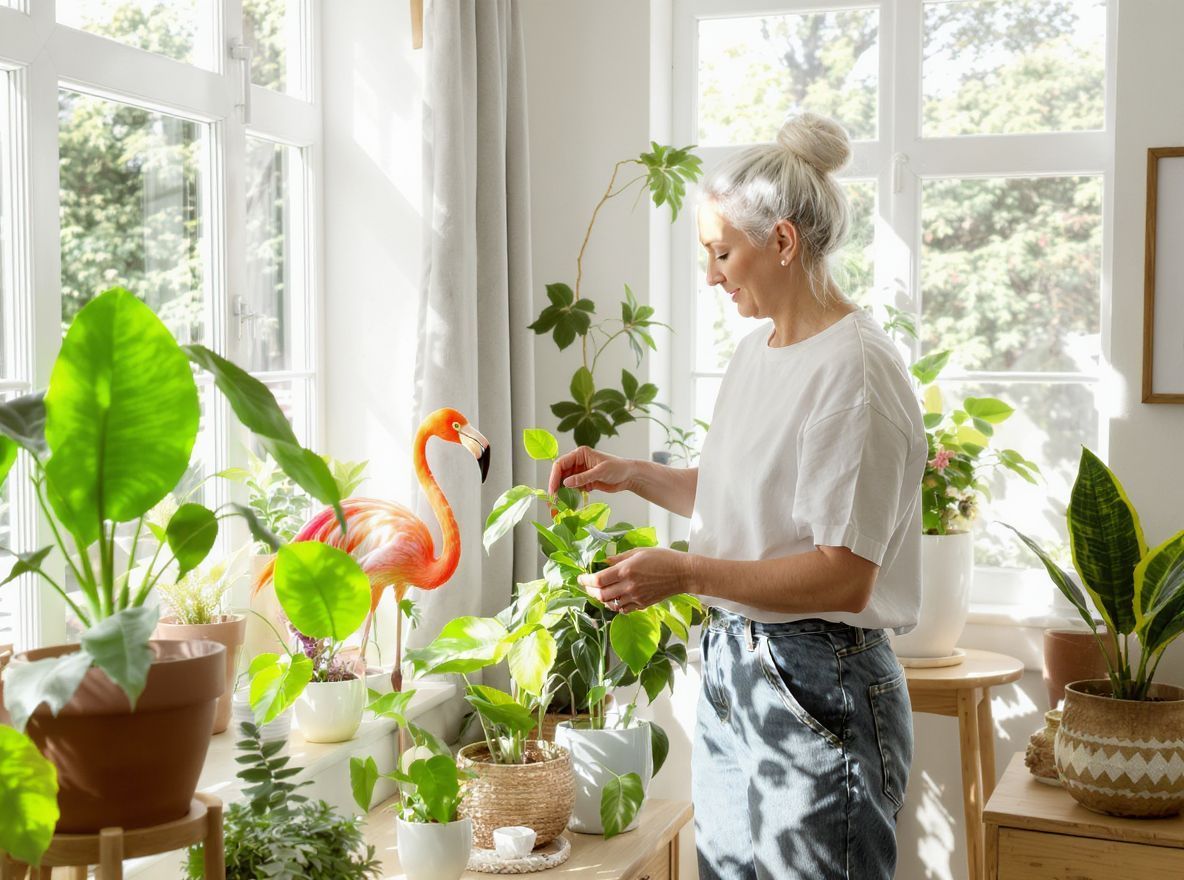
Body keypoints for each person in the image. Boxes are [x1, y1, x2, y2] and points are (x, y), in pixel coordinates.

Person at [547, 112, 925, 880]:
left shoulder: (856, 372)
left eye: (722, 253)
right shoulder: (760, 352)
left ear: (782, 242)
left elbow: (844, 575)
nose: (711, 275)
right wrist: (632, 473)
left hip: (819, 682)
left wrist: (685, 573)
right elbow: (747, 502)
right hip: (734, 668)